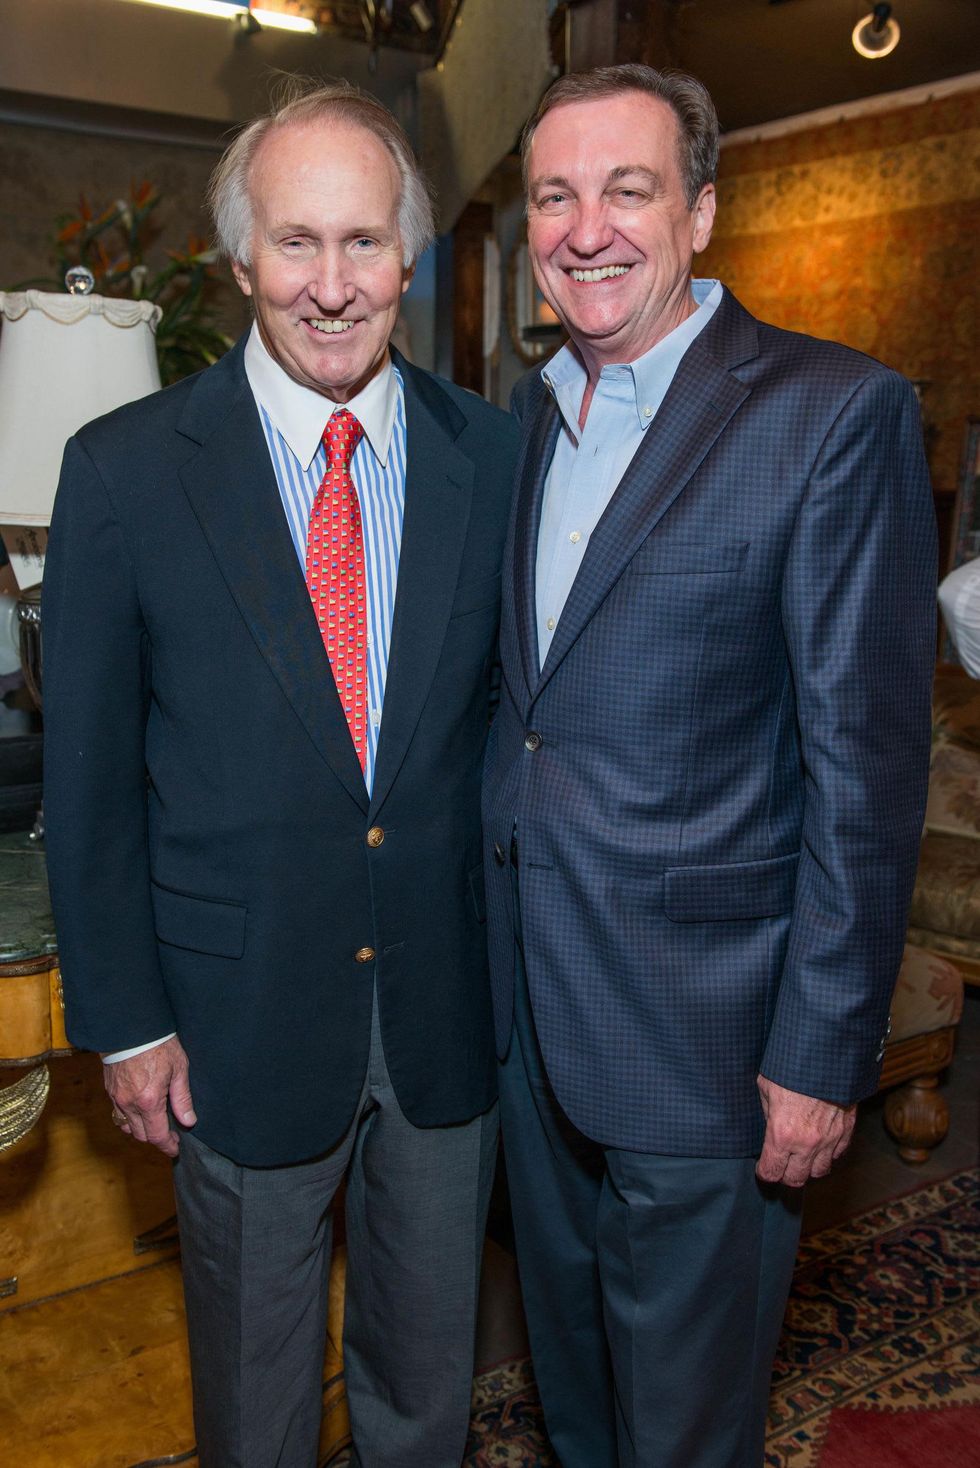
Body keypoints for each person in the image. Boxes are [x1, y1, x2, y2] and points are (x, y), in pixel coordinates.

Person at [43, 78, 518, 1468]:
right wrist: (125, 1025)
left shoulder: (491, 459)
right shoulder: (126, 473)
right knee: (252, 1414)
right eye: (296, 244)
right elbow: (88, 781)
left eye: (362, 243)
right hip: (229, 1027)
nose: (330, 284)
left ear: (408, 259)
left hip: (443, 1017)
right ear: (240, 257)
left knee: (425, 1396)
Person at [483, 63, 936, 1468]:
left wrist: (821, 1052)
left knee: (684, 1431)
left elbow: (866, 767)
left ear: (702, 212)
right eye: (555, 195)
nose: (585, 227)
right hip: (529, 1021)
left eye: (629, 188)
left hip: (712, 1045)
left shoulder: (830, 414)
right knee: (579, 1400)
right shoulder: (524, 424)